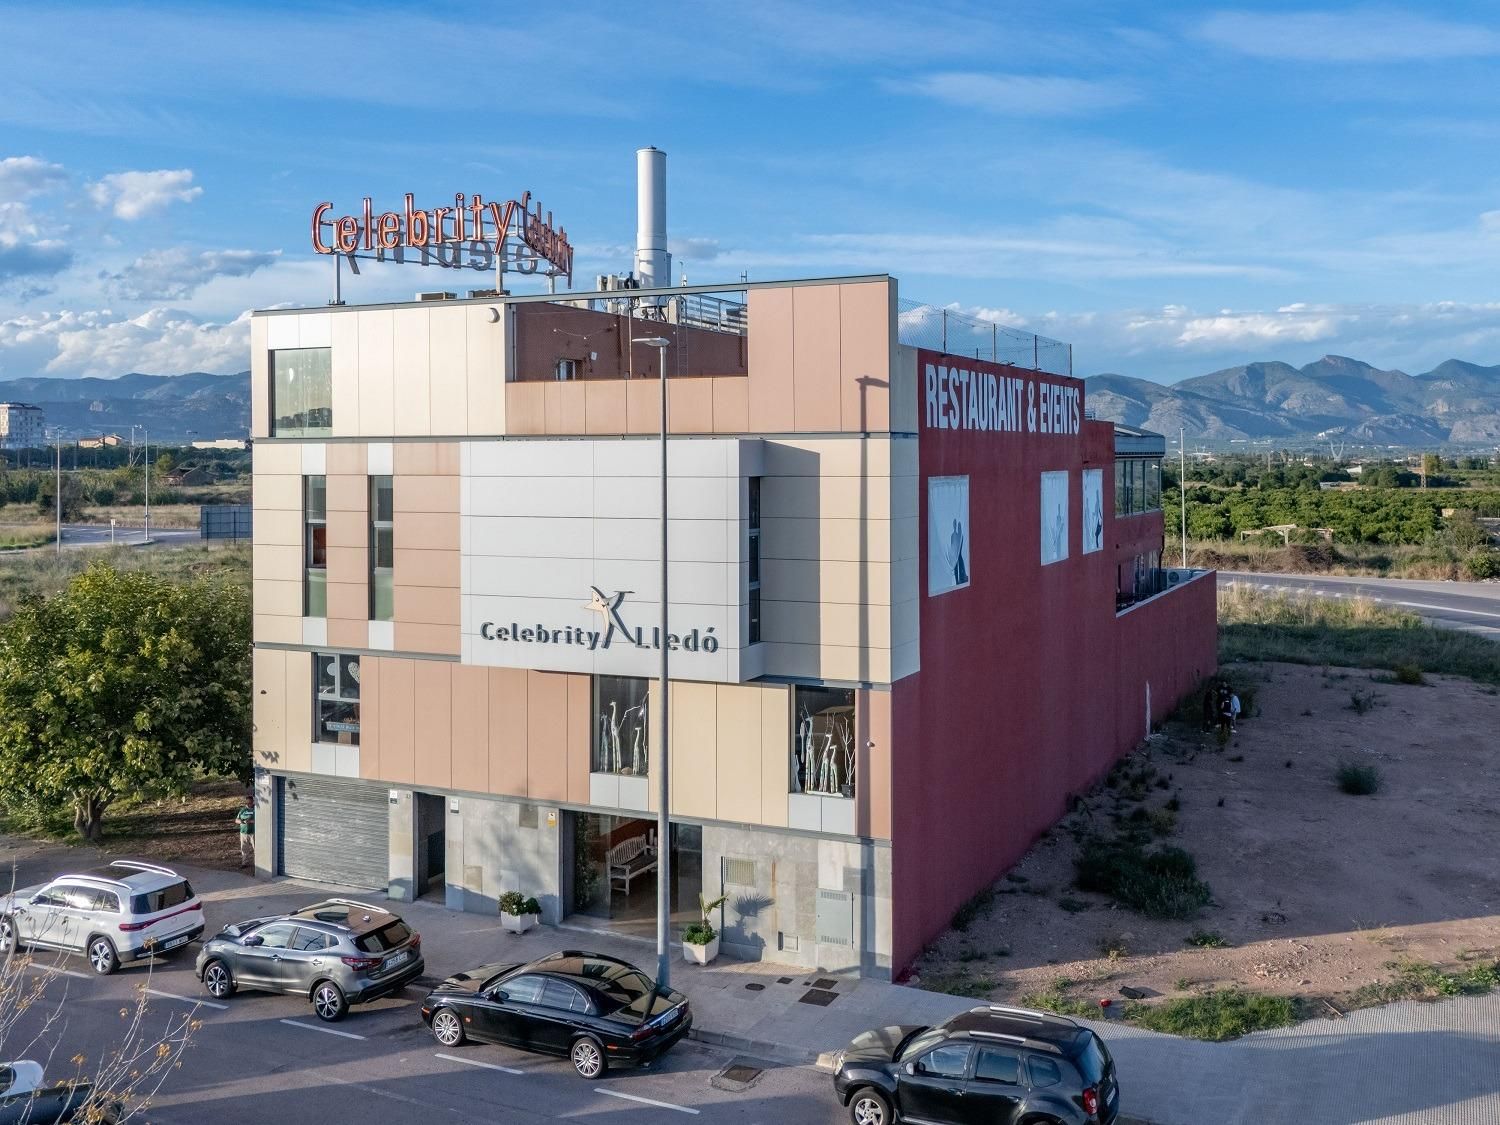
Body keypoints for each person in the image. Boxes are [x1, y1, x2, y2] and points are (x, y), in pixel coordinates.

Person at [235, 797, 255, 868]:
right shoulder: (243, 810)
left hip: (253, 833)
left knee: (256, 848)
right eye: (247, 803)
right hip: (243, 833)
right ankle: (244, 863)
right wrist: (242, 821)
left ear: (253, 802)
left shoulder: (255, 810)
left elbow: (260, 820)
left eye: (250, 802)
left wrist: (251, 821)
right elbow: (236, 820)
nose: (249, 804)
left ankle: (258, 864)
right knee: (244, 849)